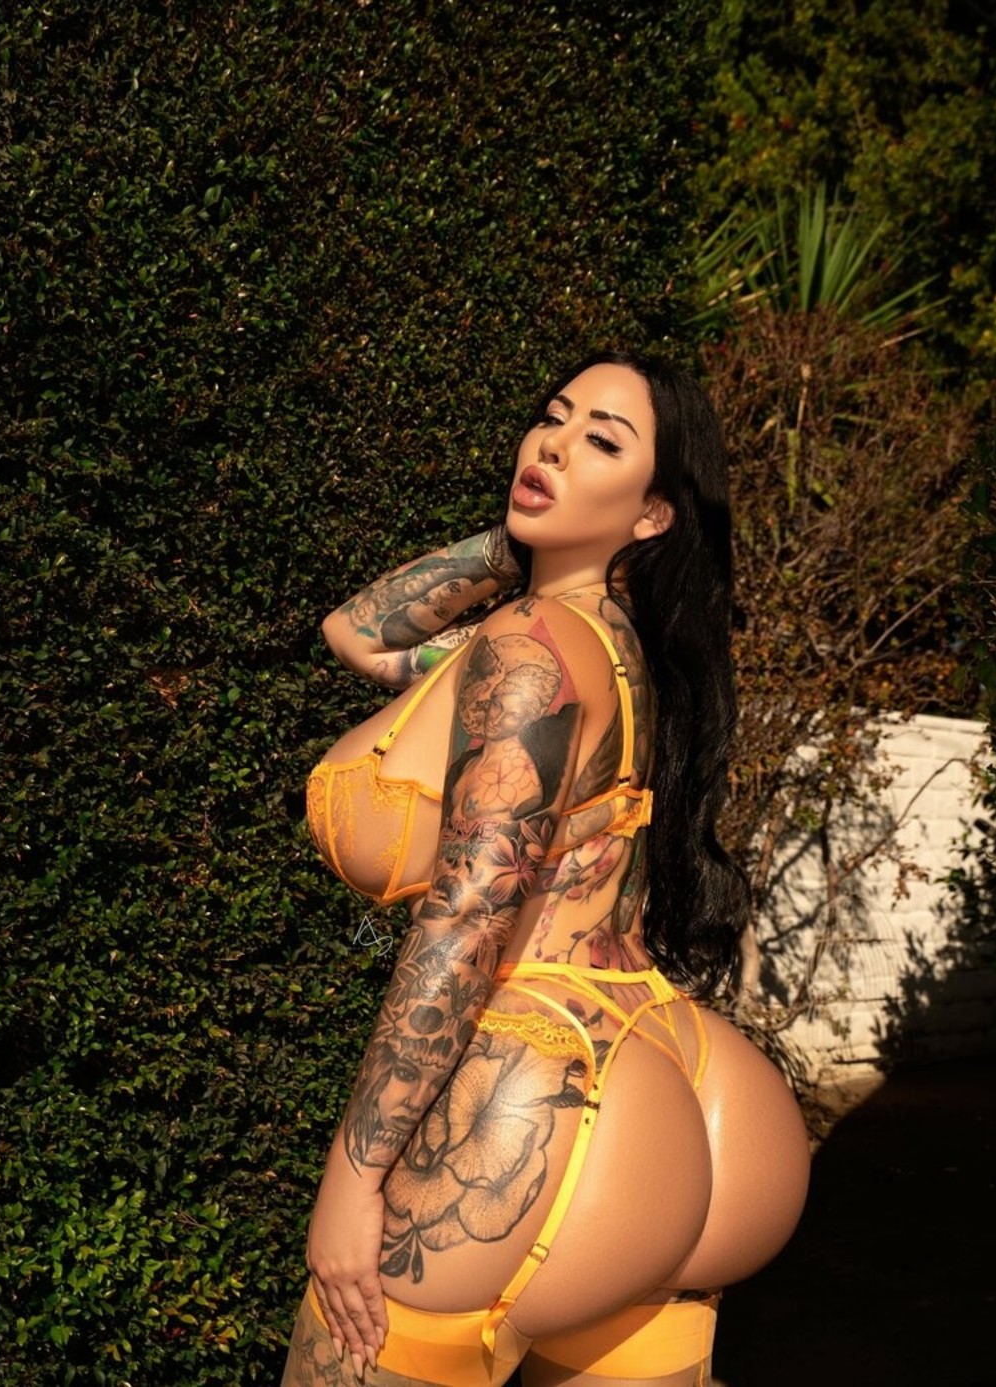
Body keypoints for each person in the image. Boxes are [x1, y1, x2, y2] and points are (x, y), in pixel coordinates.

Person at [284, 351, 810, 1387]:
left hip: (536, 1085)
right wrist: (525, 533)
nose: (555, 445)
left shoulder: (530, 651)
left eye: (602, 441)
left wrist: (353, 1176)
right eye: (553, 420)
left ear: (653, 513)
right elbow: (357, 632)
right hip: (684, 1079)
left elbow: (467, 916)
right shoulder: (606, 645)